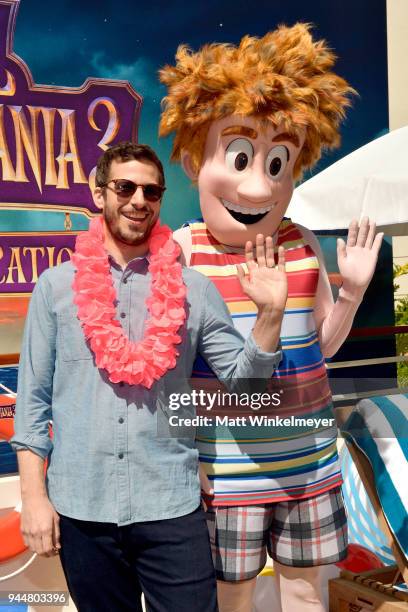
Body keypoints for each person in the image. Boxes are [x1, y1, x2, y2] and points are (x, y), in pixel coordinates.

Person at [159, 24, 384, 612]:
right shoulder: (181, 254)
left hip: (309, 460)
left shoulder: (304, 243)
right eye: (239, 154)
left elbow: (321, 349)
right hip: (225, 472)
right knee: (229, 598)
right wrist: (185, 457)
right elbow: (165, 375)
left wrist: (354, 290)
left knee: (306, 593)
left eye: (278, 160)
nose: (260, 183)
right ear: (191, 158)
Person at [11, 142, 288, 612]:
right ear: (101, 195)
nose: (139, 200)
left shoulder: (194, 291)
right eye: (125, 187)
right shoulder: (54, 288)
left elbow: (248, 388)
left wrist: (270, 316)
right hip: (83, 506)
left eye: (152, 191)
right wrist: (34, 499)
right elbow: (32, 404)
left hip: (169, 505)